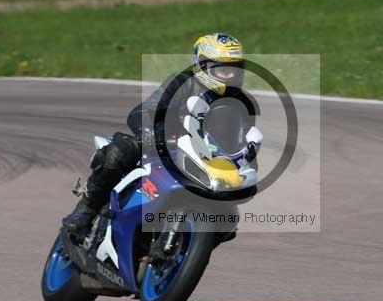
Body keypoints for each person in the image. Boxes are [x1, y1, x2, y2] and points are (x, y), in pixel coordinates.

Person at [60, 32, 249, 242]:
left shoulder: (239, 104)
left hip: (205, 161)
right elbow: (146, 109)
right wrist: (150, 131)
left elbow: (239, 141)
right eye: (223, 70)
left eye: (235, 70)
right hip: (163, 146)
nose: (231, 76)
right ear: (201, 66)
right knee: (118, 153)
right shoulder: (182, 83)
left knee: (228, 218)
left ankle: (186, 249)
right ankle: (85, 211)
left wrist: (244, 157)